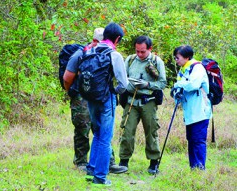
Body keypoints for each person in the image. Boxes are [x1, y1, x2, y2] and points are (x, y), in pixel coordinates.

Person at [63, 27, 128, 175]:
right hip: (105, 99)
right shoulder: (114, 55)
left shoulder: (89, 51)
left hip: (90, 97)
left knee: (97, 135)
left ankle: (91, 170)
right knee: (105, 138)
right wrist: (113, 91)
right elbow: (123, 85)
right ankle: (100, 176)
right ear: (117, 39)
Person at [118, 35, 167, 175]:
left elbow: (163, 83)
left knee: (151, 132)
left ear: (150, 49)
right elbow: (122, 78)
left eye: (143, 51)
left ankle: (153, 163)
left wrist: (147, 84)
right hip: (131, 101)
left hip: (149, 101)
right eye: (137, 51)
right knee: (127, 131)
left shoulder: (157, 62)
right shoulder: (130, 59)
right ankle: (123, 161)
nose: (140, 54)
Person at [171, 45, 212, 170]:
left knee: (198, 141)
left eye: (177, 58)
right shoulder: (183, 70)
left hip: (200, 111)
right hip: (190, 112)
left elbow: (193, 85)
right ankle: (193, 168)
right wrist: (176, 93)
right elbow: (179, 88)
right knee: (191, 140)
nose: (176, 60)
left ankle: (199, 169)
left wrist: (179, 84)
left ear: (187, 57)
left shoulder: (197, 68)